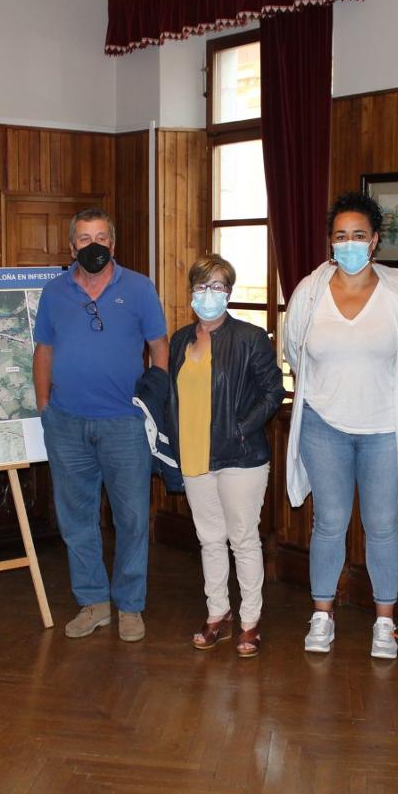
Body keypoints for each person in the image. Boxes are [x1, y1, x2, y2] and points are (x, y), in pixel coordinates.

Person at [284, 191, 398, 658]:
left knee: (383, 525)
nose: (348, 243)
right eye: (340, 235)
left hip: (383, 429)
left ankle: (385, 622)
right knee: (328, 522)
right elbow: (294, 351)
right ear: (330, 242)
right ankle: (322, 614)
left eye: (358, 235)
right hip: (323, 425)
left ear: (375, 241)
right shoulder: (309, 291)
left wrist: (380, 392)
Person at [33, 208, 168, 643]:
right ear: (72, 247)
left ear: (113, 243)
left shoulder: (140, 288)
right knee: (76, 519)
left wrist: (154, 401)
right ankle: (93, 603)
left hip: (125, 425)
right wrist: (44, 406)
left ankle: (129, 606)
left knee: (132, 519)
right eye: (84, 238)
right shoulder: (54, 292)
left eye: (101, 238)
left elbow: (159, 347)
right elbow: (43, 349)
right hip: (66, 423)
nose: (94, 246)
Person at [168, 255, 284, 657]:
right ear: (190, 292)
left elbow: (273, 391)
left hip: (241, 457)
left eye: (217, 286)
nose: (208, 294)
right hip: (194, 455)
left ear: (229, 292)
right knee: (209, 540)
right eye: (201, 286)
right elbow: (174, 396)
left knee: (243, 539)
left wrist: (242, 427)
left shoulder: (250, 338)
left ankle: (250, 621)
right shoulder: (180, 340)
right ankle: (217, 613)